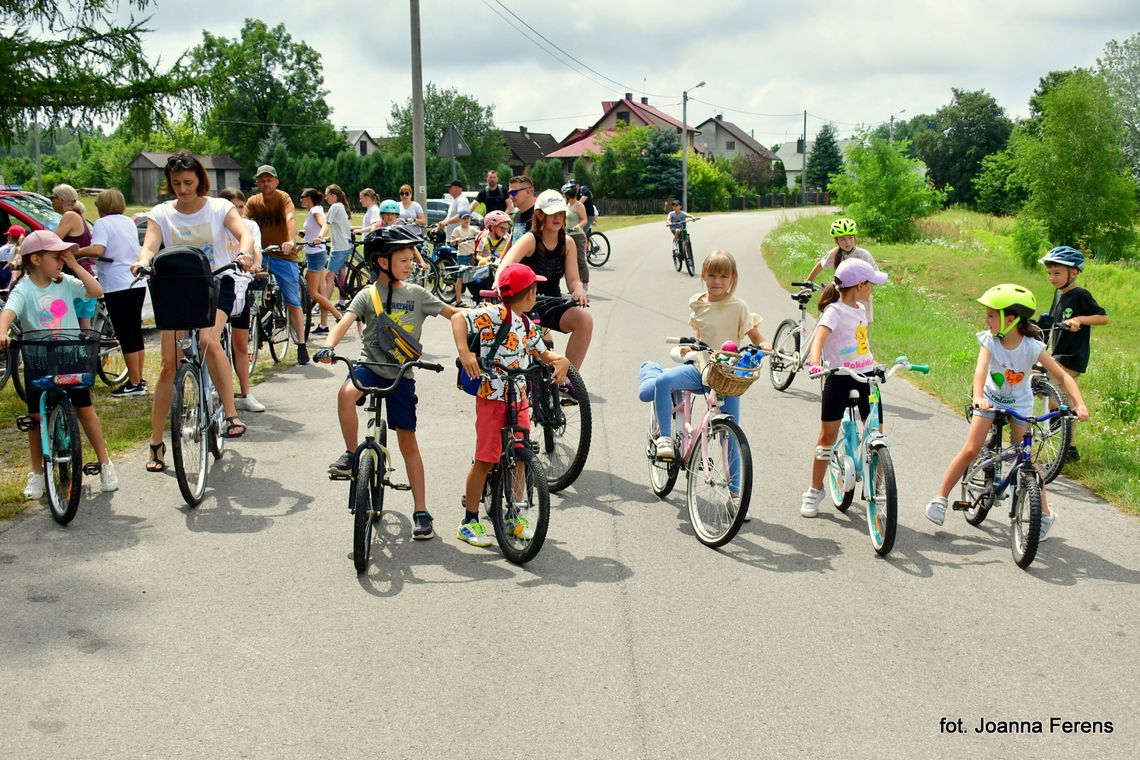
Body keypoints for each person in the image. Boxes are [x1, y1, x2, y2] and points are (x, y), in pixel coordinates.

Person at [314, 225, 463, 541]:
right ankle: (352, 454)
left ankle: (421, 510)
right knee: (345, 394)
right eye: (404, 258)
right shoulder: (367, 294)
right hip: (370, 366)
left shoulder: (418, 295)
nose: (411, 263)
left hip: (401, 374)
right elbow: (344, 323)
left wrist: (485, 317)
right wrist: (329, 345)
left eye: (411, 258)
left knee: (408, 441)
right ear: (382, 262)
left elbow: (455, 314)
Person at [923, 284, 1090, 541]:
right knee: (971, 449)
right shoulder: (990, 341)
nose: (986, 320)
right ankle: (941, 498)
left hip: (1019, 405)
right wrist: (978, 397)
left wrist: (1079, 404)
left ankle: (1045, 513)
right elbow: (981, 370)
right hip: (989, 401)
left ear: (1009, 320)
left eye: (991, 315)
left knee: (1027, 459)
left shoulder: (1032, 347)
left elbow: (1062, 376)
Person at [132, 151, 255, 473]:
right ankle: (156, 443)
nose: (183, 189)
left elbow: (242, 232)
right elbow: (151, 243)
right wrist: (143, 260)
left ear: (201, 180)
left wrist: (244, 252)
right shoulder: (161, 213)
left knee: (207, 341)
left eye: (188, 182)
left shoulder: (219, 208)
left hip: (217, 281)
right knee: (168, 366)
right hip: (177, 286)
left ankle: (230, 414)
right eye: (176, 183)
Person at [452, 263, 569, 546]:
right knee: (486, 458)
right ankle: (469, 521)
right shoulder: (493, 315)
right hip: (492, 396)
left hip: (518, 396)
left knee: (519, 454)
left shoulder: (527, 323)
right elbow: (458, 320)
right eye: (535, 291)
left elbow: (541, 352)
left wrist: (559, 360)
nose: (536, 296)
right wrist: (465, 353)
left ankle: (516, 515)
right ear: (528, 294)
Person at [0, 230, 118, 497]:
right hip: (40, 360)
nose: (62, 261)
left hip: (70, 357)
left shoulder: (65, 283)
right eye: (57, 256)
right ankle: (37, 474)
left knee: (85, 409)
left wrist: (76, 266)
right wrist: (2, 331)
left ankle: (105, 463)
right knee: (35, 418)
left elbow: (95, 290)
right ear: (37, 260)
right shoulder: (24, 289)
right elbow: (9, 311)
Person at [639, 251, 768, 463]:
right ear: (704, 276)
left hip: (726, 376)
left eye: (723, 276)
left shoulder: (739, 307)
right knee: (663, 381)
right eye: (712, 275)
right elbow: (701, 333)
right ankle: (665, 439)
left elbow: (755, 337)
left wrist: (763, 345)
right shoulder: (698, 303)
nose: (717, 281)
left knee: (731, 434)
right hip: (701, 368)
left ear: (733, 278)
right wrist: (693, 347)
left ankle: (736, 492)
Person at [799, 259, 887, 518]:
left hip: (866, 376)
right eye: (871, 284)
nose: (873, 288)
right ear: (860, 285)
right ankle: (814, 490)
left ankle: (880, 491)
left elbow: (859, 343)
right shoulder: (834, 311)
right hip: (838, 376)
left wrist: (872, 362)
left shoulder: (860, 307)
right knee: (827, 437)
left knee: (877, 435)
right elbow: (820, 338)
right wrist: (815, 363)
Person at [494, 188, 593, 370]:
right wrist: (497, 284)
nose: (557, 218)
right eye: (552, 214)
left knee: (584, 320)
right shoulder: (530, 239)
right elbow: (506, 263)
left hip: (551, 303)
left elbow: (573, 280)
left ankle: (568, 379)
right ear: (540, 216)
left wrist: (578, 290)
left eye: (561, 214)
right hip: (523, 304)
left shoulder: (568, 243)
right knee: (541, 345)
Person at [1038, 245, 1108, 463]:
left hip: (1072, 354)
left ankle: (1063, 437)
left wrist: (1080, 320)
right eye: (1050, 273)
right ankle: (1069, 449)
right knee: (1058, 399)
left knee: (1053, 391)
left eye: (1057, 273)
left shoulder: (1080, 295)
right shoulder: (1058, 297)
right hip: (1058, 353)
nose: (1052, 277)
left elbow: (1103, 317)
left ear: (1074, 272)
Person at [76, 189, 147, 396]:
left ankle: (134, 383)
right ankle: (139, 379)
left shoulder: (102, 223)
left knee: (125, 334)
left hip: (117, 284)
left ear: (101, 207)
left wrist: (76, 252)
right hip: (136, 282)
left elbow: (98, 249)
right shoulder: (128, 222)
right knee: (135, 332)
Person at [244, 164, 308, 364]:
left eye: (269, 179)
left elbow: (290, 217)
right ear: (257, 183)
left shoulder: (283, 198)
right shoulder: (253, 201)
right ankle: (257, 321)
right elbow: (243, 222)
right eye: (262, 180)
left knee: (292, 300)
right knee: (246, 289)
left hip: (283, 255)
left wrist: (290, 241)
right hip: (261, 254)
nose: (265, 183)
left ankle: (302, 345)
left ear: (276, 182)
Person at [217, 187, 266, 413]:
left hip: (240, 286)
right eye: (232, 206)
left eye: (240, 206)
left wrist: (256, 264)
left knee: (240, 343)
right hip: (217, 285)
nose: (237, 211)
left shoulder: (250, 226)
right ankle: (214, 392)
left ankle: (245, 393)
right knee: (211, 342)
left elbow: (255, 248)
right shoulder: (216, 224)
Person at [803, 217, 877, 322]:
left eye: (850, 238)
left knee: (862, 337)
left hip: (862, 303)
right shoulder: (835, 253)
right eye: (843, 239)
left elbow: (875, 277)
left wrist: (863, 290)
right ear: (836, 240)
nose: (848, 242)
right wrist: (807, 283)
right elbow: (820, 265)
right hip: (842, 301)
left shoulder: (864, 255)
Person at [51, 183, 97, 330]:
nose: (51, 201)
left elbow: (53, 241)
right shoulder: (77, 215)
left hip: (75, 273)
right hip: (82, 272)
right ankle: (86, 351)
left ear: (61, 199)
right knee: (82, 322)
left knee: (70, 321)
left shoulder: (70, 216)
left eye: (53, 197)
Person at [298, 187, 343, 334]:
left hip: (315, 256)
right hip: (317, 253)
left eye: (303, 196)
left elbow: (324, 226)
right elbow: (313, 230)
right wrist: (306, 236)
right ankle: (324, 325)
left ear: (309, 198)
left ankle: (338, 316)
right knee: (322, 293)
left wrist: (319, 237)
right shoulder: (313, 210)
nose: (300, 199)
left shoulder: (315, 211)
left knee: (313, 294)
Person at [321, 184, 353, 334]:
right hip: (343, 245)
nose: (325, 197)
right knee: (339, 276)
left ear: (334, 195)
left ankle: (325, 306)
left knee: (329, 277)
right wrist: (327, 238)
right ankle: (340, 301)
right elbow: (338, 229)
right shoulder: (341, 207)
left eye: (327, 194)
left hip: (339, 249)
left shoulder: (335, 207)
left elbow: (325, 225)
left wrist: (319, 236)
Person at [564, 181, 590, 291]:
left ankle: (585, 284)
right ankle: (573, 285)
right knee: (569, 261)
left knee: (580, 260)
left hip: (577, 235)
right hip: (567, 235)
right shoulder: (567, 205)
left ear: (568, 194)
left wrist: (578, 226)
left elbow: (585, 219)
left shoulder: (578, 205)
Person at [449, 210, 479, 304]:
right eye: (464, 218)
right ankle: (458, 300)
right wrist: (458, 240)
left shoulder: (472, 229)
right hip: (462, 256)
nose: (466, 220)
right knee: (460, 278)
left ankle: (476, 297)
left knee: (474, 277)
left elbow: (481, 233)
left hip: (471, 256)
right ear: (460, 220)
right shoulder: (457, 230)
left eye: (468, 218)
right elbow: (451, 242)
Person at [507, 175, 535, 244]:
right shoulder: (517, 215)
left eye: (514, 193)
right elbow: (513, 240)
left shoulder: (539, 216)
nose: (510, 197)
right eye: (509, 193)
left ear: (528, 192)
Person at [1, 224, 23, 289]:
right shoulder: (21, 248)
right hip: (9, 281)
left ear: (10, 236)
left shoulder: (5, 248)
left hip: (3, 277)